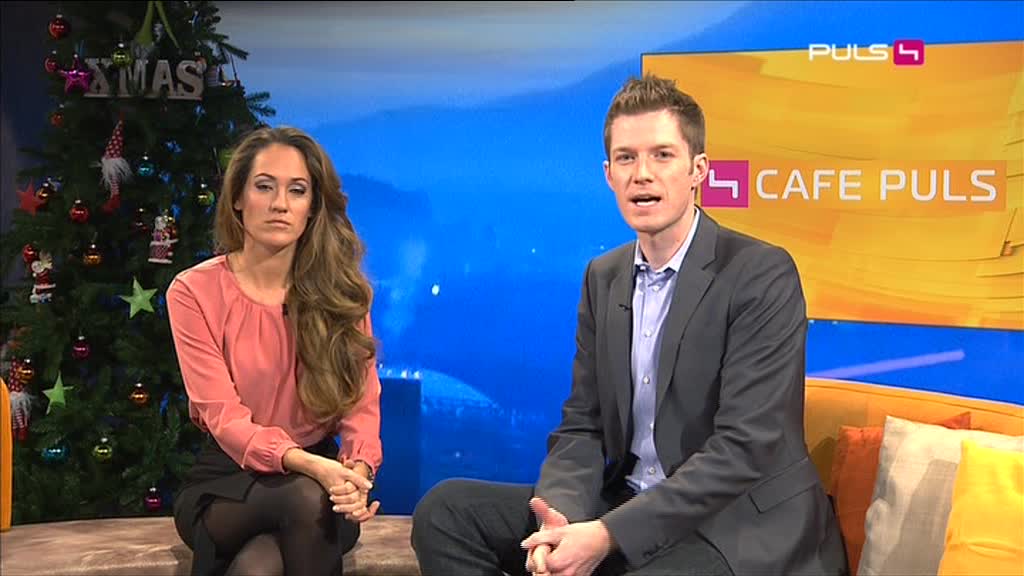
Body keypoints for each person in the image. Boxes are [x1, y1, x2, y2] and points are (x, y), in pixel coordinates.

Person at [411, 75, 848, 576]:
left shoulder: (759, 273)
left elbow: (744, 448)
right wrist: (561, 522)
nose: (642, 174)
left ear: (698, 170)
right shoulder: (604, 277)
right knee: (446, 513)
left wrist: (606, 535)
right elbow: (583, 425)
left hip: (737, 523)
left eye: (662, 155)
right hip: (627, 501)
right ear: (609, 175)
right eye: (626, 158)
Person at [168, 126, 383, 576]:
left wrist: (358, 472)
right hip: (228, 483)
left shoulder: (343, 295)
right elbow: (223, 418)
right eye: (264, 187)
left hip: (322, 484)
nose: (280, 203)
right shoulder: (194, 292)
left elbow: (361, 407)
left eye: (297, 190)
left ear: (313, 207)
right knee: (305, 495)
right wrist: (313, 468)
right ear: (238, 199)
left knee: (257, 567)